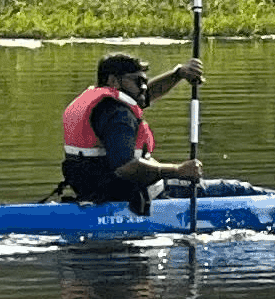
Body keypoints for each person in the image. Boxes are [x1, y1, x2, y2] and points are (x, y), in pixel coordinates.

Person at [57, 51, 205, 211]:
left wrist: (178, 74)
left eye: (144, 81)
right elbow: (125, 168)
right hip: (128, 195)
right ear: (113, 81)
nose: (143, 87)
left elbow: (145, 94)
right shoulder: (118, 115)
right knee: (232, 188)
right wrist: (178, 170)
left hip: (91, 191)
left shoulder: (102, 104)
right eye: (137, 81)